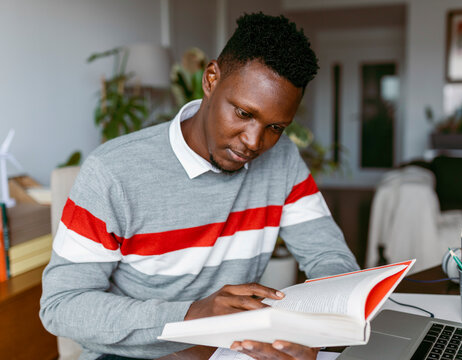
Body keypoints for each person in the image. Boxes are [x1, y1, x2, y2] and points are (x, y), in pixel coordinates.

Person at [40, 13, 359, 360]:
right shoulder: (113, 172)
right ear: (211, 79)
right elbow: (62, 306)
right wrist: (191, 314)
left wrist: (315, 329)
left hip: (231, 350)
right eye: (243, 113)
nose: (254, 142)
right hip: (134, 354)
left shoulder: (281, 158)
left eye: (275, 127)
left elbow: (330, 257)